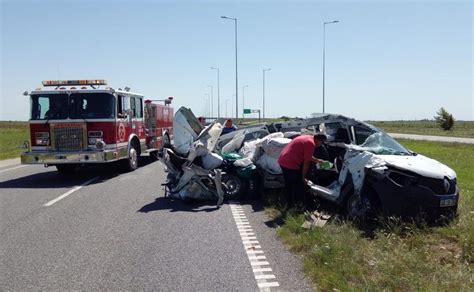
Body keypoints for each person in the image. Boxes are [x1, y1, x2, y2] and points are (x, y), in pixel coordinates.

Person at [278, 132, 328, 208]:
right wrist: (303, 177)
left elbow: (307, 155)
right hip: (290, 163)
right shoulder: (311, 144)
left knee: (289, 183)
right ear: (319, 140)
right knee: (297, 184)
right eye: (322, 142)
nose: (321, 145)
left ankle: (287, 203)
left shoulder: (308, 137)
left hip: (283, 160)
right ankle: (296, 205)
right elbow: (306, 162)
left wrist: (318, 160)